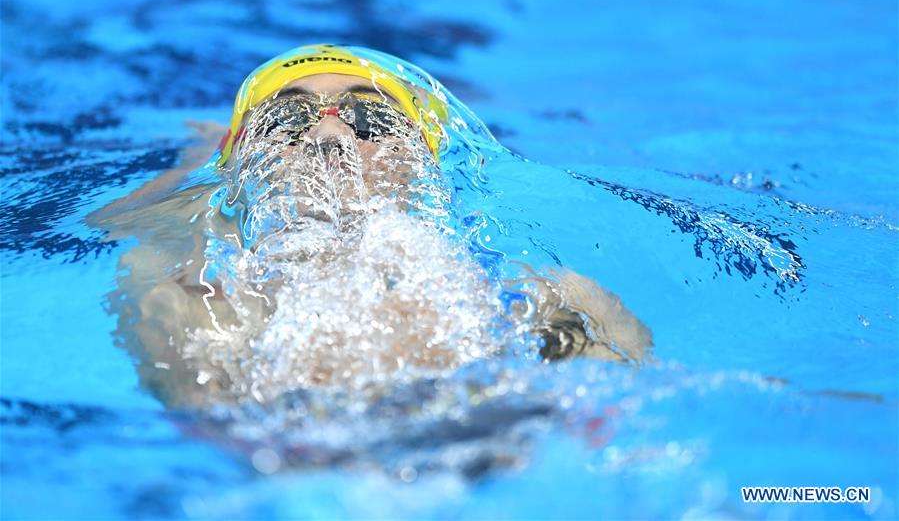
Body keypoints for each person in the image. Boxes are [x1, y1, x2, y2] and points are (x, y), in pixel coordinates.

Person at [89, 45, 651, 408]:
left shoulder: (553, 299)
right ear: (243, 160)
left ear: (422, 157)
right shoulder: (193, 297)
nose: (326, 138)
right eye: (286, 121)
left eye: (371, 118)